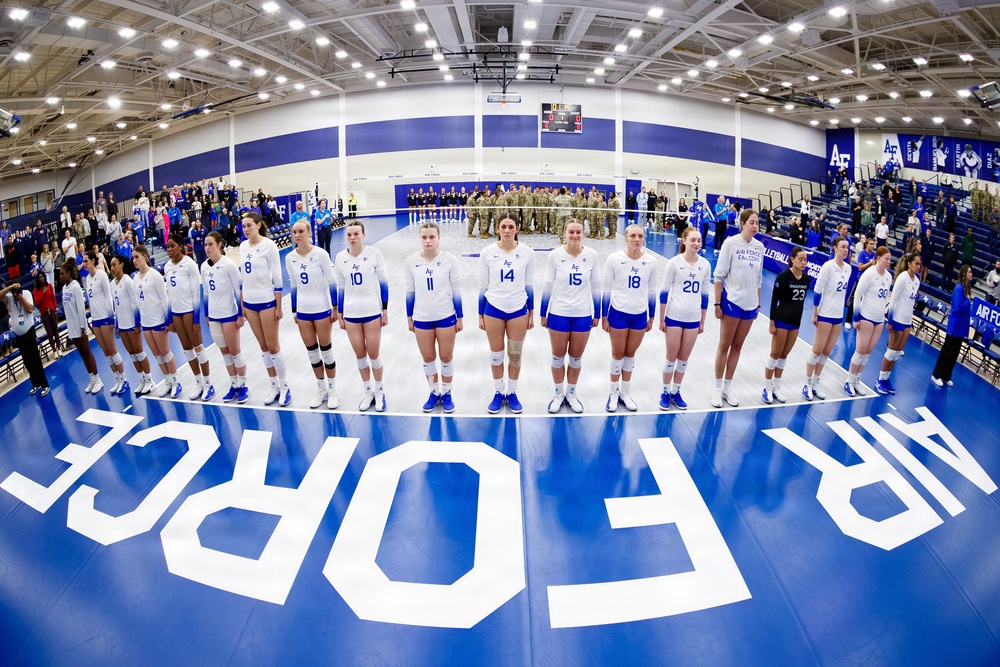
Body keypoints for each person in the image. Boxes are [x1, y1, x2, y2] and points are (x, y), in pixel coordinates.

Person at [540, 219, 599, 413]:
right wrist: (543, 312)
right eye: (571, 232)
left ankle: (571, 394)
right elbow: (548, 284)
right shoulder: (555, 255)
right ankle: (558, 394)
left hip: (582, 314)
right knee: (558, 357)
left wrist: (597, 313)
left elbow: (596, 285)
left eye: (578, 232)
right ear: (564, 232)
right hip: (559, 313)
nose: (575, 235)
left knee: (575, 358)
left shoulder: (591, 255)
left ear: (583, 233)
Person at [405, 221, 464, 413]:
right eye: (424, 237)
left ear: (439, 237)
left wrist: (460, 316)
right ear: (419, 238)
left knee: (446, 357)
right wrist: (409, 316)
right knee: (428, 357)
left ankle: (447, 393)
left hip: (445, 315)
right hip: (422, 317)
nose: (428, 241)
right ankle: (433, 392)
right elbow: (410, 292)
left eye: (432, 237)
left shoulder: (450, 260)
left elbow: (456, 291)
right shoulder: (411, 261)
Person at [478, 214, 534, 414]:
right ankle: (498, 392)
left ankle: (512, 392)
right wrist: (480, 313)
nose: (507, 230)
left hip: (518, 309)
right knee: (496, 355)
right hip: (493, 308)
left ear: (517, 229)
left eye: (511, 226)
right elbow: (483, 285)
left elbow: (529, 285)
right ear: (498, 228)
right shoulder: (487, 252)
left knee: (515, 355)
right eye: (503, 226)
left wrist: (531, 313)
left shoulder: (527, 252)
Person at [711, 209, 764, 408]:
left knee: (738, 346)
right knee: (725, 344)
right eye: (751, 222)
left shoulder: (759, 247)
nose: (755, 226)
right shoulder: (730, 243)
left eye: (757, 223)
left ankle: (727, 387)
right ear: (742, 223)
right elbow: (719, 275)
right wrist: (718, 303)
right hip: (732, 301)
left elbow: (759, 279)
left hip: (750, 305)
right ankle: (717, 389)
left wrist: (758, 303)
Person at [602, 223, 657, 412]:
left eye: (640, 236)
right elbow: (607, 290)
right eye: (633, 236)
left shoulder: (651, 261)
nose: (637, 239)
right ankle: (613, 392)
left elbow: (652, 291)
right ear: (625, 238)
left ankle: (625, 393)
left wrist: (652, 317)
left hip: (639, 315)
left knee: (630, 354)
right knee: (618, 354)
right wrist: (604, 316)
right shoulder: (614, 259)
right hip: (618, 313)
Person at [286, 220, 340, 410]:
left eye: (301, 231)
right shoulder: (290, 258)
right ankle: (321, 389)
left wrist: (335, 308)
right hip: (303, 311)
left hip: (321, 309)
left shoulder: (320, 254)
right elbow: (293, 285)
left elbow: (332, 282)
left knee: (326, 351)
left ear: (309, 233)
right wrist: (294, 310)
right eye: (294, 232)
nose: (297, 235)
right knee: (312, 353)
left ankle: (332, 390)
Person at [336, 222, 389, 412]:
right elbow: (341, 287)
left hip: (372, 311)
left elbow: (384, 283)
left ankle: (380, 391)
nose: (352, 238)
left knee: (374, 354)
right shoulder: (340, 257)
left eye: (356, 234)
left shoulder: (375, 254)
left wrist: (384, 310)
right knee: (360, 355)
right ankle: (368, 392)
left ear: (363, 235)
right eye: (349, 234)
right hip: (351, 313)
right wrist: (340, 313)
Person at [658, 226, 711, 410]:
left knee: (684, 358)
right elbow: (664, 292)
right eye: (693, 240)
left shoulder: (705, 265)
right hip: (674, 316)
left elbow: (705, 295)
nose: (696, 243)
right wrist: (661, 319)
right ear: (684, 241)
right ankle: (665, 392)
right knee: (671, 357)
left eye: (699, 240)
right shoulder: (674, 263)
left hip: (693, 318)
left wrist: (702, 320)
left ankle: (676, 391)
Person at [240, 212, 289, 406]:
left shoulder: (269, 246)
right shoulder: (243, 246)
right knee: (263, 348)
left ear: (258, 225)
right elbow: (243, 278)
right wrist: (243, 304)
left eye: (249, 225)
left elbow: (277, 277)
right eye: (244, 226)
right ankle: (274, 386)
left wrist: (279, 306)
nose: (246, 229)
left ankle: (285, 387)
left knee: (273, 346)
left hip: (267, 301)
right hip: (250, 302)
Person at [164, 234, 213, 401]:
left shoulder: (189, 264)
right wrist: (169, 319)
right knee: (186, 348)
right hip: (176, 312)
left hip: (189, 311)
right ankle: (199, 383)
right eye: (167, 247)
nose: (169, 249)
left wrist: (196, 320)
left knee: (198, 347)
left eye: (172, 246)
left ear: (180, 246)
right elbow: (169, 294)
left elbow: (195, 293)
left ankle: (208, 383)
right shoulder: (167, 266)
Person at [802, 235, 852, 400]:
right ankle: (807, 383)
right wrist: (815, 313)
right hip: (825, 314)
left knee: (826, 352)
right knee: (817, 350)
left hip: (838, 316)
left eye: (847, 247)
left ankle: (816, 383)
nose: (846, 250)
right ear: (834, 248)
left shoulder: (848, 268)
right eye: (843, 247)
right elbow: (817, 291)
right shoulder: (828, 267)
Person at [202, 231, 249, 403]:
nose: (207, 248)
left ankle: (244, 386)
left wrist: (240, 315)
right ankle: (234, 385)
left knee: (235, 351)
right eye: (206, 245)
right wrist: (206, 314)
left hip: (229, 314)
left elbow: (239, 290)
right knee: (225, 353)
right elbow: (206, 293)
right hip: (214, 316)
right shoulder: (204, 267)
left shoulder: (229, 264)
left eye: (210, 244)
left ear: (219, 245)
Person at [132, 245, 182, 398]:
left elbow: (165, 299)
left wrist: (168, 321)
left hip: (158, 320)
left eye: (137, 257)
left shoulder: (154, 275)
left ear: (144, 256)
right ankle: (168, 381)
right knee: (157, 355)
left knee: (165, 353)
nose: (134, 260)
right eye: (133, 258)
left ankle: (176, 382)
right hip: (146, 322)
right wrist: (137, 322)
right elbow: (136, 303)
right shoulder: (135, 278)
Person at [763, 246, 810, 404]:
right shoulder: (783, 277)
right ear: (792, 259)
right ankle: (767, 387)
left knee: (784, 355)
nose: (803, 262)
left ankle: (776, 387)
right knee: (775, 354)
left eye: (805, 260)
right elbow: (774, 300)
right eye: (800, 259)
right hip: (781, 320)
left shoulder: (806, 279)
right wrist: (772, 322)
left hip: (795, 322)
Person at [846, 247, 893, 396]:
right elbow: (858, 295)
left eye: (890, 259)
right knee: (860, 350)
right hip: (866, 316)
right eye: (886, 259)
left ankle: (857, 380)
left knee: (868, 352)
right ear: (878, 258)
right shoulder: (869, 273)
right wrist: (856, 317)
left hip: (879, 319)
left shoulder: (888, 277)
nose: (889, 262)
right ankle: (849, 380)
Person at [82, 250, 128, 395]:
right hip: (95, 319)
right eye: (83, 261)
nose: (84, 264)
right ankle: (117, 379)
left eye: (86, 261)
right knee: (106, 352)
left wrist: (111, 317)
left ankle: (124, 379)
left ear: (93, 261)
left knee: (113, 350)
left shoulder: (101, 275)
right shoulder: (87, 278)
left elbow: (108, 297)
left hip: (105, 317)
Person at [877, 253, 922, 395]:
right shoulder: (902, 278)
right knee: (891, 351)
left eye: (920, 264)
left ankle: (887, 378)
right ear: (909, 264)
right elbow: (894, 300)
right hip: (897, 319)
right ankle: (880, 379)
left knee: (897, 354)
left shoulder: (917, 281)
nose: (918, 266)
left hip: (907, 321)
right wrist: (890, 321)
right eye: (916, 263)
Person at [109, 254, 154, 396]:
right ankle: (142, 379)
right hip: (122, 324)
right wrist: (117, 324)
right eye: (111, 265)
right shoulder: (112, 284)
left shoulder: (127, 280)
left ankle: (149, 379)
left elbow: (135, 303)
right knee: (132, 354)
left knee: (139, 352)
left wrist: (137, 323)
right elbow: (115, 306)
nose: (112, 268)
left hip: (131, 323)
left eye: (114, 264)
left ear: (121, 264)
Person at [59, 259, 102, 393]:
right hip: (71, 327)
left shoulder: (76, 286)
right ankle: (92, 379)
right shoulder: (64, 288)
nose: (60, 276)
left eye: (62, 274)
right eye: (60, 274)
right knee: (82, 355)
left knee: (87, 352)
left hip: (79, 326)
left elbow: (80, 308)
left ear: (69, 273)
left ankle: (98, 380)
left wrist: (83, 327)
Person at [1, 279, 49, 396]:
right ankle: (35, 384)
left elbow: (30, 310)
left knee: (35, 360)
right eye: (14, 291)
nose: (16, 293)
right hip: (19, 336)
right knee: (27, 361)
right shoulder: (10, 298)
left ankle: (44, 385)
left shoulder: (26, 294)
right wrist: (10, 288)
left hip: (29, 332)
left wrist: (21, 298)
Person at [932, 265, 974, 387]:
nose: (971, 274)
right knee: (946, 351)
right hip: (955, 326)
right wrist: (967, 300)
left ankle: (946, 375)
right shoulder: (959, 288)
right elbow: (959, 307)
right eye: (969, 272)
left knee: (954, 353)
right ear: (964, 274)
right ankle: (936, 375)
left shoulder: (967, 288)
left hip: (961, 327)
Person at [32, 273, 62, 358]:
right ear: (38, 279)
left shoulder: (49, 286)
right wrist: (43, 293)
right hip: (44, 313)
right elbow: (37, 302)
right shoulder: (36, 290)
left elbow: (53, 298)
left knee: (55, 331)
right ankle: (54, 350)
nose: (41, 278)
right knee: (50, 333)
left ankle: (59, 348)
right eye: (40, 277)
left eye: (42, 277)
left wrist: (55, 309)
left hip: (52, 311)